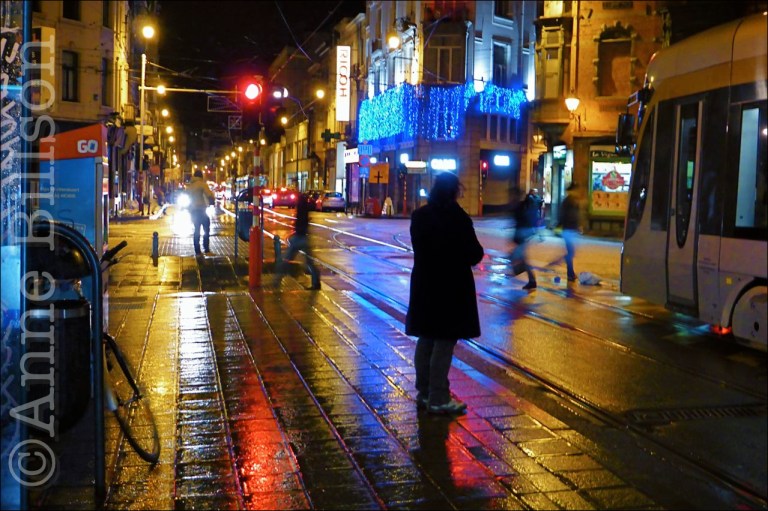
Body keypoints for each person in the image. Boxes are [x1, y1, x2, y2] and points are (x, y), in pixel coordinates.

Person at [406, 172, 484, 415]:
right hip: (451, 287)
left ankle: (425, 392)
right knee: (444, 340)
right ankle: (439, 397)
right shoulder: (457, 218)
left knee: (427, 337)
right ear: (454, 192)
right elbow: (474, 254)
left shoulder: (420, 216)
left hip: (424, 284)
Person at [274, 192, 320, 289]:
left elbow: (300, 222)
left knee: (286, 259)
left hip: (299, 237)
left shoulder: (301, 206)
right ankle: (316, 283)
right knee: (309, 262)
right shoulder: (305, 206)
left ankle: (277, 280)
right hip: (303, 237)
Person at [509, 187, 539, 290]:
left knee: (518, 258)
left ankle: (528, 278)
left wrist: (517, 238)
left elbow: (522, 222)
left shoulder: (520, 206)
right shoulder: (520, 205)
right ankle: (530, 280)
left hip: (522, 234)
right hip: (522, 234)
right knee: (520, 258)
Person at [186, 170, 215, 256]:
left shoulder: (190, 186)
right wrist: (212, 201)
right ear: (201, 176)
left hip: (193, 211)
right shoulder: (202, 184)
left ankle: (197, 251)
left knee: (197, 230)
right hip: (201, 210)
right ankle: (206, 249)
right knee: (206, 228)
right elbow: (209, 195)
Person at [558, 183, 582, 282]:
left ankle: (570, 273)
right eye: (575, 190)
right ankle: (570, 273)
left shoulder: (573, 201)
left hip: (571, 229)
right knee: (570, 252)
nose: (577, 192)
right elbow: (564, 216)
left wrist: (578, 226)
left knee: (571, 252)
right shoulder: (568, 202)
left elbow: (575, 215)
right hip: (568, 229)